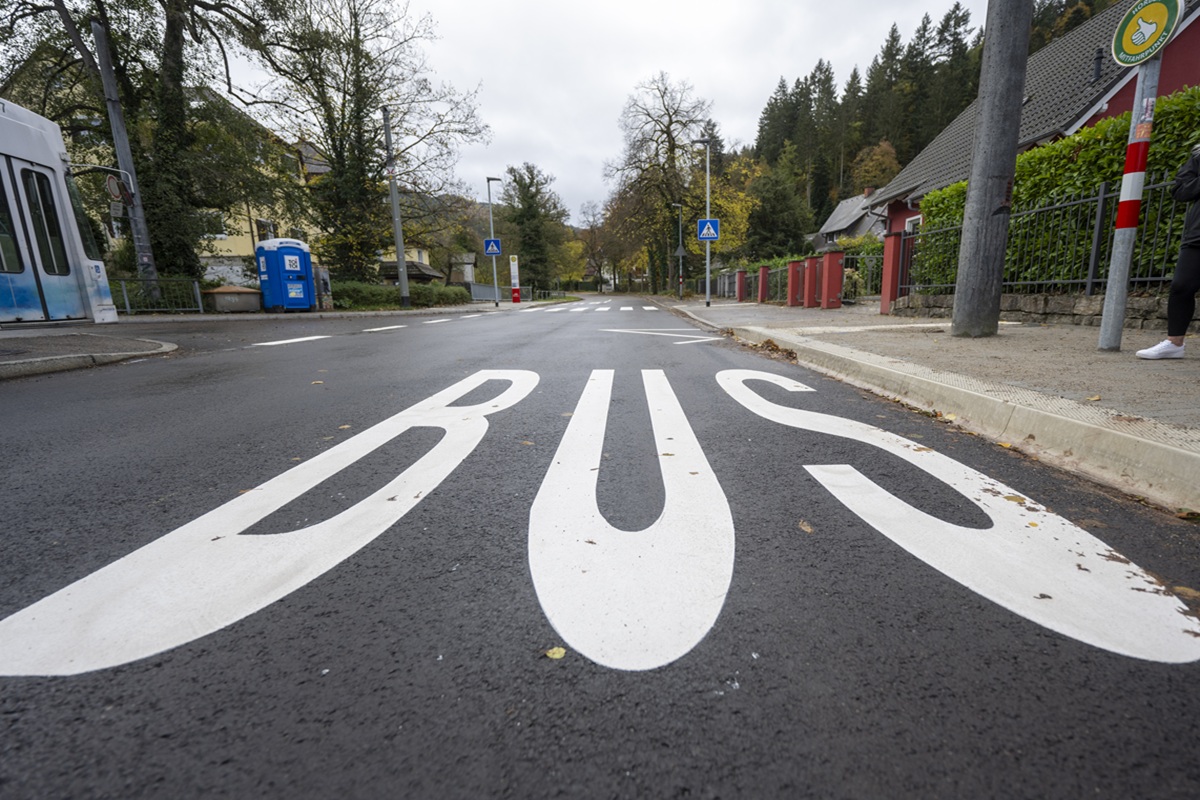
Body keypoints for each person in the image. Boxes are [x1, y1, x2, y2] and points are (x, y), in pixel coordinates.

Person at [1137, 144, 1200, 359]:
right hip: (1198, 234)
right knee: (1181, 285)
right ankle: (1174, 344)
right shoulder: (1199, 155)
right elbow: (1179, 189)